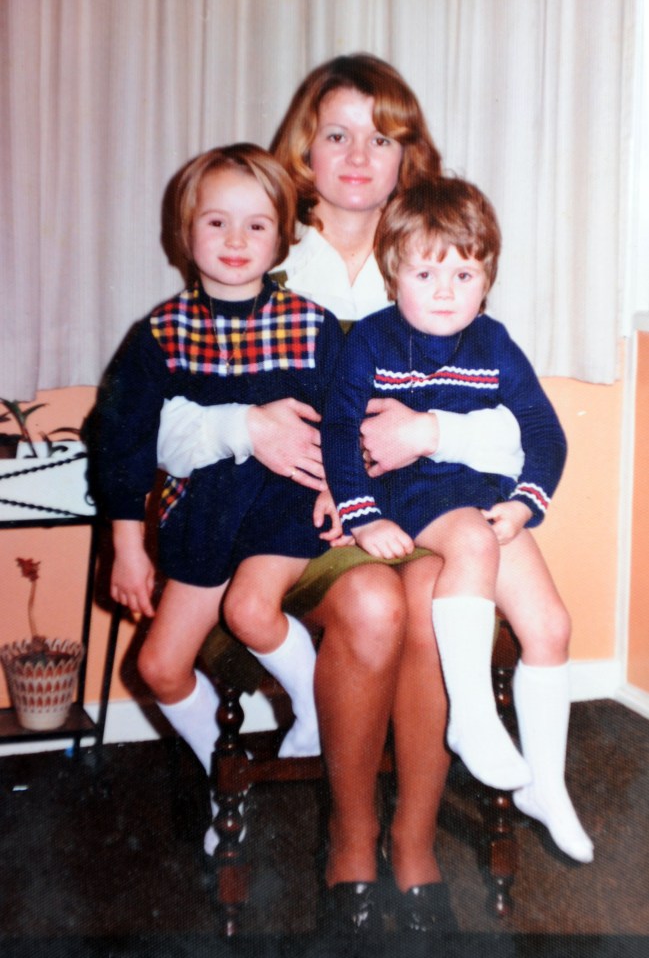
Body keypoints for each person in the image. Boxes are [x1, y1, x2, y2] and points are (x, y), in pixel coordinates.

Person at [156, 54, 525, 933]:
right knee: (368, 603)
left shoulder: (437, 253)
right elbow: (180, 411)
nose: (359, 155)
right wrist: (254, 429)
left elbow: (513, 422)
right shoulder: (264, 253)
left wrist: (429, 432)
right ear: (304, 150)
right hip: (304, 522)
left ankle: (416, 840)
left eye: (383, 137)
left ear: (409, 157)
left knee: (433, 592)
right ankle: (352, 844)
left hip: (427, 509)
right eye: (336, 134)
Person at [322, 176, 593, 863]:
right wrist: (358, 516)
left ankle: (547, 785)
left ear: (486, 278)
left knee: (551, 626)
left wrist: (526, 499)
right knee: (470, 537)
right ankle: (471, 716)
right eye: (425, 271)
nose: (445, 290)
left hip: (481, 490)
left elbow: (543, 429)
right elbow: (338, 431)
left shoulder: (492, 342)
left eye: (463, 272)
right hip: (409, 492)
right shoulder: (373, 343)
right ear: (393, 275)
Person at [95, 144, 347, 787]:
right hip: (203, 517)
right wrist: (127, 546)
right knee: (157, 665)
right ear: (186, 231)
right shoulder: (160, 333)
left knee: (251, 610)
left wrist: (346, 494)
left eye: (257, 224)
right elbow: (124, 441)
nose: (236, 239)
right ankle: (222, 773)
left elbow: (347, 421)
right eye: (216, 222)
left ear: (283, 237)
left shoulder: (312, 326)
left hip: (284, 505)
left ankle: (320, 712)